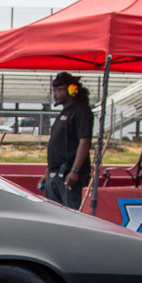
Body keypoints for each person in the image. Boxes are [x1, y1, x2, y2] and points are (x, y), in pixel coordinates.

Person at [40, 72, 93, 209]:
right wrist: (47, 173)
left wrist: (75, 170)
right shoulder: (63, 114)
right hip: (55, 175)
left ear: (71, 89)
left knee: (71, 213)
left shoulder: (81, 112)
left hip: (69, 176)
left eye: (59, 90)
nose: (55, 94)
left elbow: (84, 142)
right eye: (54, 91)